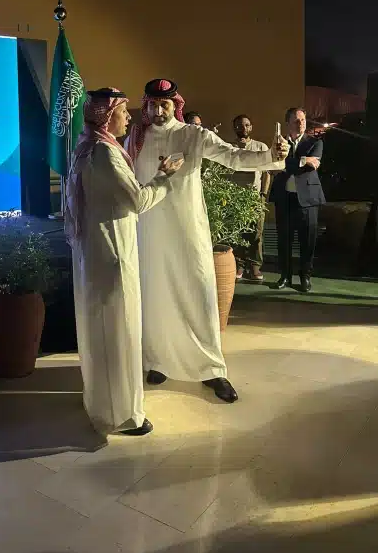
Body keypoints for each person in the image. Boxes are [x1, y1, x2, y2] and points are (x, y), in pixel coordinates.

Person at [125, 79, 288, 403]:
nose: (158, 111)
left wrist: (272, 155)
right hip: (150, 231)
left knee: (198, 294)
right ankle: (158, 360)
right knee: (155, 296)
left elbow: (233, 157)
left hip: (188, 230)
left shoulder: (193, 135)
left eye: (164, 105)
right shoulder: (136, 138)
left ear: (175, 105)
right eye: (153, 105)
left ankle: (212, 369)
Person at [65, 87, 183, 436]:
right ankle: (122, 415)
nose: (130, 118)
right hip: (113, 254)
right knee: (119, 330)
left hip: (95, 252)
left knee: (101, 330)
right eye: (123, 112)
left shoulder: (87, 145)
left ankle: (100, 401)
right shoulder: (104, 152)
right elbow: (137, 200)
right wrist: (164, 178)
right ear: (106, 116)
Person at [269, 106, 325, 292]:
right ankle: (285, 276)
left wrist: (286, 163)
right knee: (284, 240)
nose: (300, 123)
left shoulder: (315, 142)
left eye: (303, 120)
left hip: (307, 200)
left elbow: (312, 166)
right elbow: (272, 164)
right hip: (284, 198)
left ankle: (305, 277)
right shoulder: (279, 143)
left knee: (307, 241)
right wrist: (302, 160)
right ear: (288, 123)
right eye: (296, 120)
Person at [228, 114, 270, 283]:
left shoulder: (260, 147)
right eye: (239, 125)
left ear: (251, 127)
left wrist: (263, 194)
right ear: (234, 128)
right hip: (235, 197)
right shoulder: (229, 147)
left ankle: (254, 265)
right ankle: (238, 264)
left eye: (246, 125)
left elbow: (267, 172)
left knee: (256, 232)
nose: (243, 128)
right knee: (236, 231)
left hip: (255, 196)